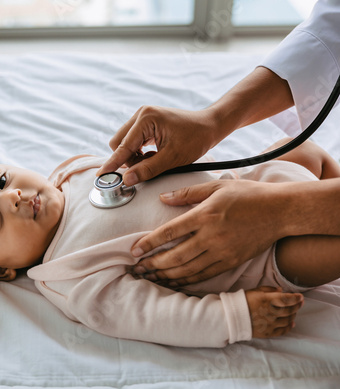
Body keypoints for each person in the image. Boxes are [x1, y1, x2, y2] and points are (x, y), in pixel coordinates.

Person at [0, 140, 340, 348]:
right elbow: (152, 315)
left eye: (2, 180)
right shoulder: (66, 274)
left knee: (308, 153)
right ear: (1, 271)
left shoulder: (76, 172)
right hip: (258, 257)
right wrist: (233, 318)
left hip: (245, 187)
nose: (10, 198)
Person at [97, 0, 340, 286]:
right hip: (264, 238)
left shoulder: (67, 179)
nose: (27, 194)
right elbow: (332, 30)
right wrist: (212, 121)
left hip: (258, 198)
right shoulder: (61, 268)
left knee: (303, 154)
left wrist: (278, 212)